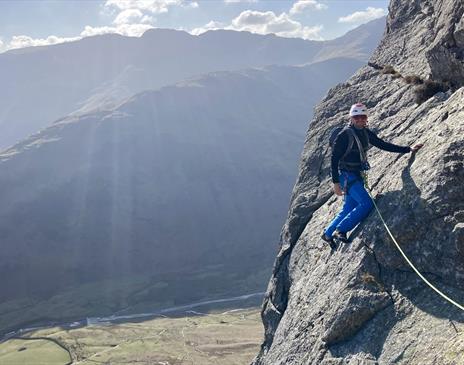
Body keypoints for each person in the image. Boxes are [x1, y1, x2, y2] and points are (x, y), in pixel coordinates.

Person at [321, 103, 423, 248]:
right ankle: (341, 230)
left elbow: (383, 144)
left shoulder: (365, 133)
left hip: (355, 175)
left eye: (363, 117)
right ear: (351, 118)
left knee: (349, 207)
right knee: (366, 203)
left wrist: (408, 149)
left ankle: (327, 233)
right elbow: (334, 158)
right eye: (357, 117)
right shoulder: (344, 135)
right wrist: (335, 183)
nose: (360, 120)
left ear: (366, 118)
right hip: (346, 176)